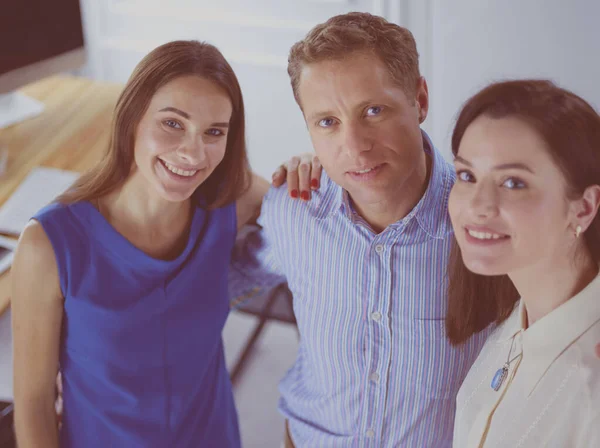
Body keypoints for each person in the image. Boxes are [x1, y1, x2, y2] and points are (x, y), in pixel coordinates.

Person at [230, 12, 489, 447]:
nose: (354, 146)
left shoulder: (483, 221)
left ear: (420, 100)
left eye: (373, 110)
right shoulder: (293, 211)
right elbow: (210, 286)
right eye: (327, 122)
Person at [10, 40, 271, 447]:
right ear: (132, 118)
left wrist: (303, 169)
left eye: (214, 132)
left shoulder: (233, 203)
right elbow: (33, 402)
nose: (193, 152)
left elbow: (320, 215)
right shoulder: (47, 245)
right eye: (172, 123)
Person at [447, 80, 600, 446]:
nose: (478, 205)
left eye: (513, 182)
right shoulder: (512, 324)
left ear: (583, 207)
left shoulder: (591, 381)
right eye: (467, 175)